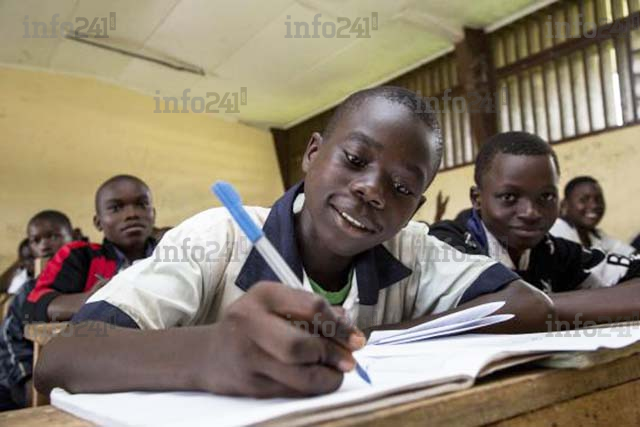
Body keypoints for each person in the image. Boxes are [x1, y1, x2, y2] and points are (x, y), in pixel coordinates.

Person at [35, 87, 553, 399]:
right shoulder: (219, 237)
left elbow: (528, 304)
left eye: (400, 188)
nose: (372, 190)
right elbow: (64, 358)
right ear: (311, 154)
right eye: (354, 160)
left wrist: (386, 337)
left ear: (414, 210)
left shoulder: (412, 246)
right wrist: (208, 353)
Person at [430, 131, 640, 319]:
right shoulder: (447, 244)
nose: (531, 212)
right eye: (509, 197)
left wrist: (541, 307)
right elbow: (495, 311)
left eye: (546, 196)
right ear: (477, 199)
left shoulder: (551, 250)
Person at [24, 175, 157, 323]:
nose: (132, 214)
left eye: (142, 204)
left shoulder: (171, 256)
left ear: (154, 214)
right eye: (116, 208)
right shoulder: (80, 256)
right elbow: (34, 305)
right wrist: (96, 299)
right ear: (98, 222)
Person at [0, 210, 74, 411]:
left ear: (74, 237)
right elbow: (10, 342)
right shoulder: (28, 291)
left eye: (53, 236)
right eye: (36, 240)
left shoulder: (89, 279)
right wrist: (27, 383)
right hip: (23, 381)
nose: (45, 244)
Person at [550, 176, 636, 256]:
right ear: (564, 205)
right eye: (584, 200)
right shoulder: (557, 233)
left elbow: (630, 253)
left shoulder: (594, 235)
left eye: (598, 199)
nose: (594, 205)